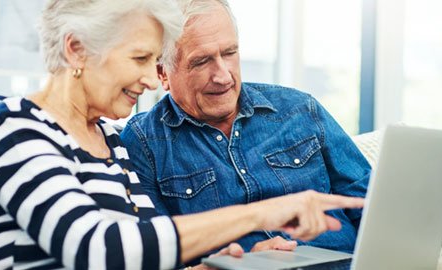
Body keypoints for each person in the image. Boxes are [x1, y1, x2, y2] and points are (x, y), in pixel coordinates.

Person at [0, 0, 364, 269]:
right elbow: (97, 249)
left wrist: (238, 261)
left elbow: (155, 254)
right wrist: (262, 213)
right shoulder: (16, 128)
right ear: (76, 50)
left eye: (153, 60)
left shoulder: (107, 142)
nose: (151, 80)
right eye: (140, 59)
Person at [120, 0, 372, 260]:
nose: (224, 76)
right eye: (202, 61)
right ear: (162, 73)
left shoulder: (300, 109)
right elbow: (154, 252)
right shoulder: (144, 143)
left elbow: (372, 206)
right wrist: (249, 260)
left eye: (229, 53)